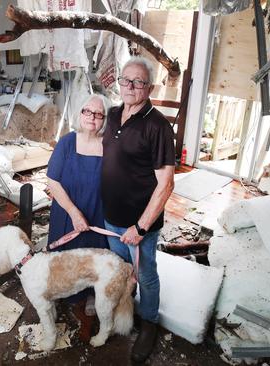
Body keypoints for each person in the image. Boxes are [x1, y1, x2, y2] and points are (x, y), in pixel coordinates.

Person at [101, 57, 175, 363]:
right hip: (110, 218)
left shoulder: (158, 126)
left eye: (138, 82)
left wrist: (141, 228)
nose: (130, 87)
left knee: (146, 276)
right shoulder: (113, 114)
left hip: (138, 225)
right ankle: (124, 311)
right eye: (125, 80)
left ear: (150, 87)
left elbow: (166, 184)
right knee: (121, 271)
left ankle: (149, 324)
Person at [46, 94, 110, 338]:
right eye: (87, 111)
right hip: (67, 211)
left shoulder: (109, 145)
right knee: (65, 255)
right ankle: (64, 291)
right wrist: (73, 212)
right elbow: (52, 180)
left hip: (97, 210)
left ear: (104, 118)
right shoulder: (67, 142)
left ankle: (91, 293)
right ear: (80, 113)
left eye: (98, 113)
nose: (91, 117)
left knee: (94, 255)